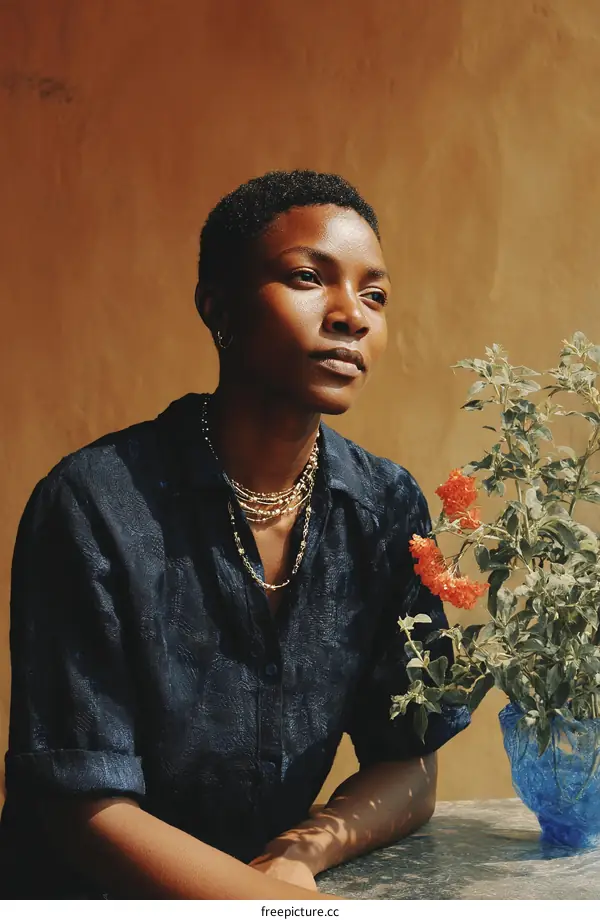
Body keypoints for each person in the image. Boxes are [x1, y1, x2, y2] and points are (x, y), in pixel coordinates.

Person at [0, 170, 470, 899]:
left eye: (374, 295)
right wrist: (272, 907)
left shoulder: (383, 507)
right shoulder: (94, 505)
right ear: (217, 306)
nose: (351, 315)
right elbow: (78, 806)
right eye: (309, 277)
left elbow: (410, 762)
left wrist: (296, 855)